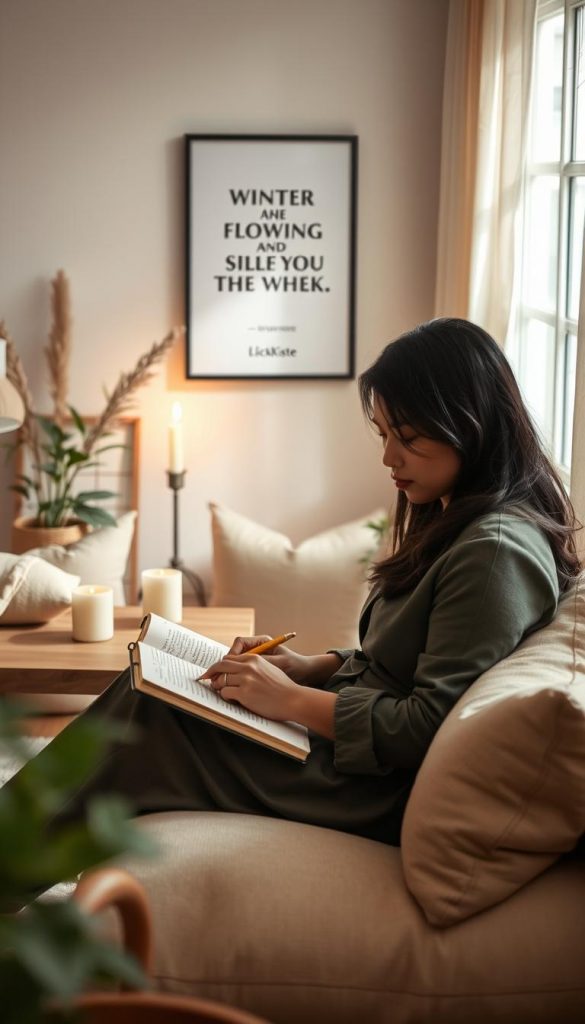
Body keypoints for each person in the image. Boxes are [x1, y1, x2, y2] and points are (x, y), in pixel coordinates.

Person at [6, 317, 582, 869]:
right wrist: (311, 668)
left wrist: (289, 702)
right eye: (384, 434)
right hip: (353, 762)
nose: (388, 457)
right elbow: (404, 664)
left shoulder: (496, 553)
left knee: (154, 718)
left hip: (369, 790)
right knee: (147, 685)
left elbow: (425, 726)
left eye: (406, 438)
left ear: (470, 423)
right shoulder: (459, 516)